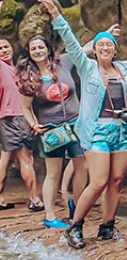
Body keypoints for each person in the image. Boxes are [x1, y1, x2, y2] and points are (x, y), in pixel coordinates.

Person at [38, 0, 127, 250]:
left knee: (116, 181)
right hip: (97, 131)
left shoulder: (126, 69)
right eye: (100, 45)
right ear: (96, 50)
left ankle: (107, 226)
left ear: (114, 51)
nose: (104, 48)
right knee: (98, 180)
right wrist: (55, 13)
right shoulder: (87, 66)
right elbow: (70, 39)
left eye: (108, 45)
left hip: (120, 132)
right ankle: (75, 226)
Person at [18, 35, 88, 229]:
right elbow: (25, 108)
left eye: (41, 47)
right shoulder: (29, 78)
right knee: (53, 173)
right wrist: (34, 125)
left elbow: (85, 49)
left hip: (76, 124)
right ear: (30, 54)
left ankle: (77, 206)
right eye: (34, 49)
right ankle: (50, 216)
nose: (38, 51)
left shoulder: (64, 62)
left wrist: (104, 36)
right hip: (51, 130)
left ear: (48, 49)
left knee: (82, 166)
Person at [0, 16, 43, 212]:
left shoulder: (13, 68)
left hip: (14, 117)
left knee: (6, 157)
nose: (4, 50)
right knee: (26, 158)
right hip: (12, 117)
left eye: (6, 47)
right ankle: (34, 199)